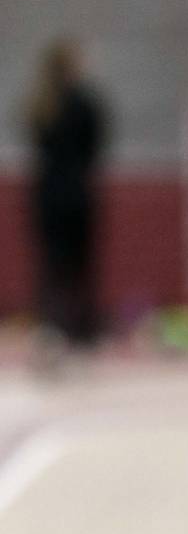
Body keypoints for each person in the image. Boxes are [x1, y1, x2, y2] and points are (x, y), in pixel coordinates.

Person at [21, 38, 109, 360]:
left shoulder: (40, 104)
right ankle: (80, 330)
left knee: (52, 263)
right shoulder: (83, 102)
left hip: (47, 192)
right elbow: (95, 147)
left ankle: (52, 326)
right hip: (76, 192)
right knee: (79, 263)